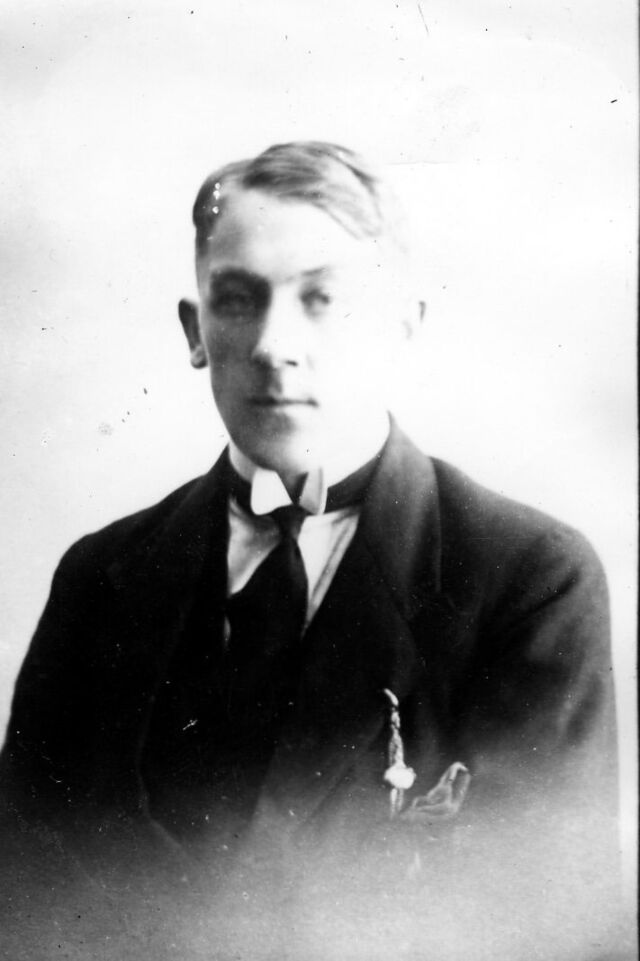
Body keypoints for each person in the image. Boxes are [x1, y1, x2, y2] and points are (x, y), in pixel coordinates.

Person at [0, 142, 627, 960]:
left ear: (403, 325)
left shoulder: (528, 581)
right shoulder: (101, 580)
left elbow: (548, 929)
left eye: (323, 299)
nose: (273, 343)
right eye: (237, 299)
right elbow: (23, 899)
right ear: (195, 330)